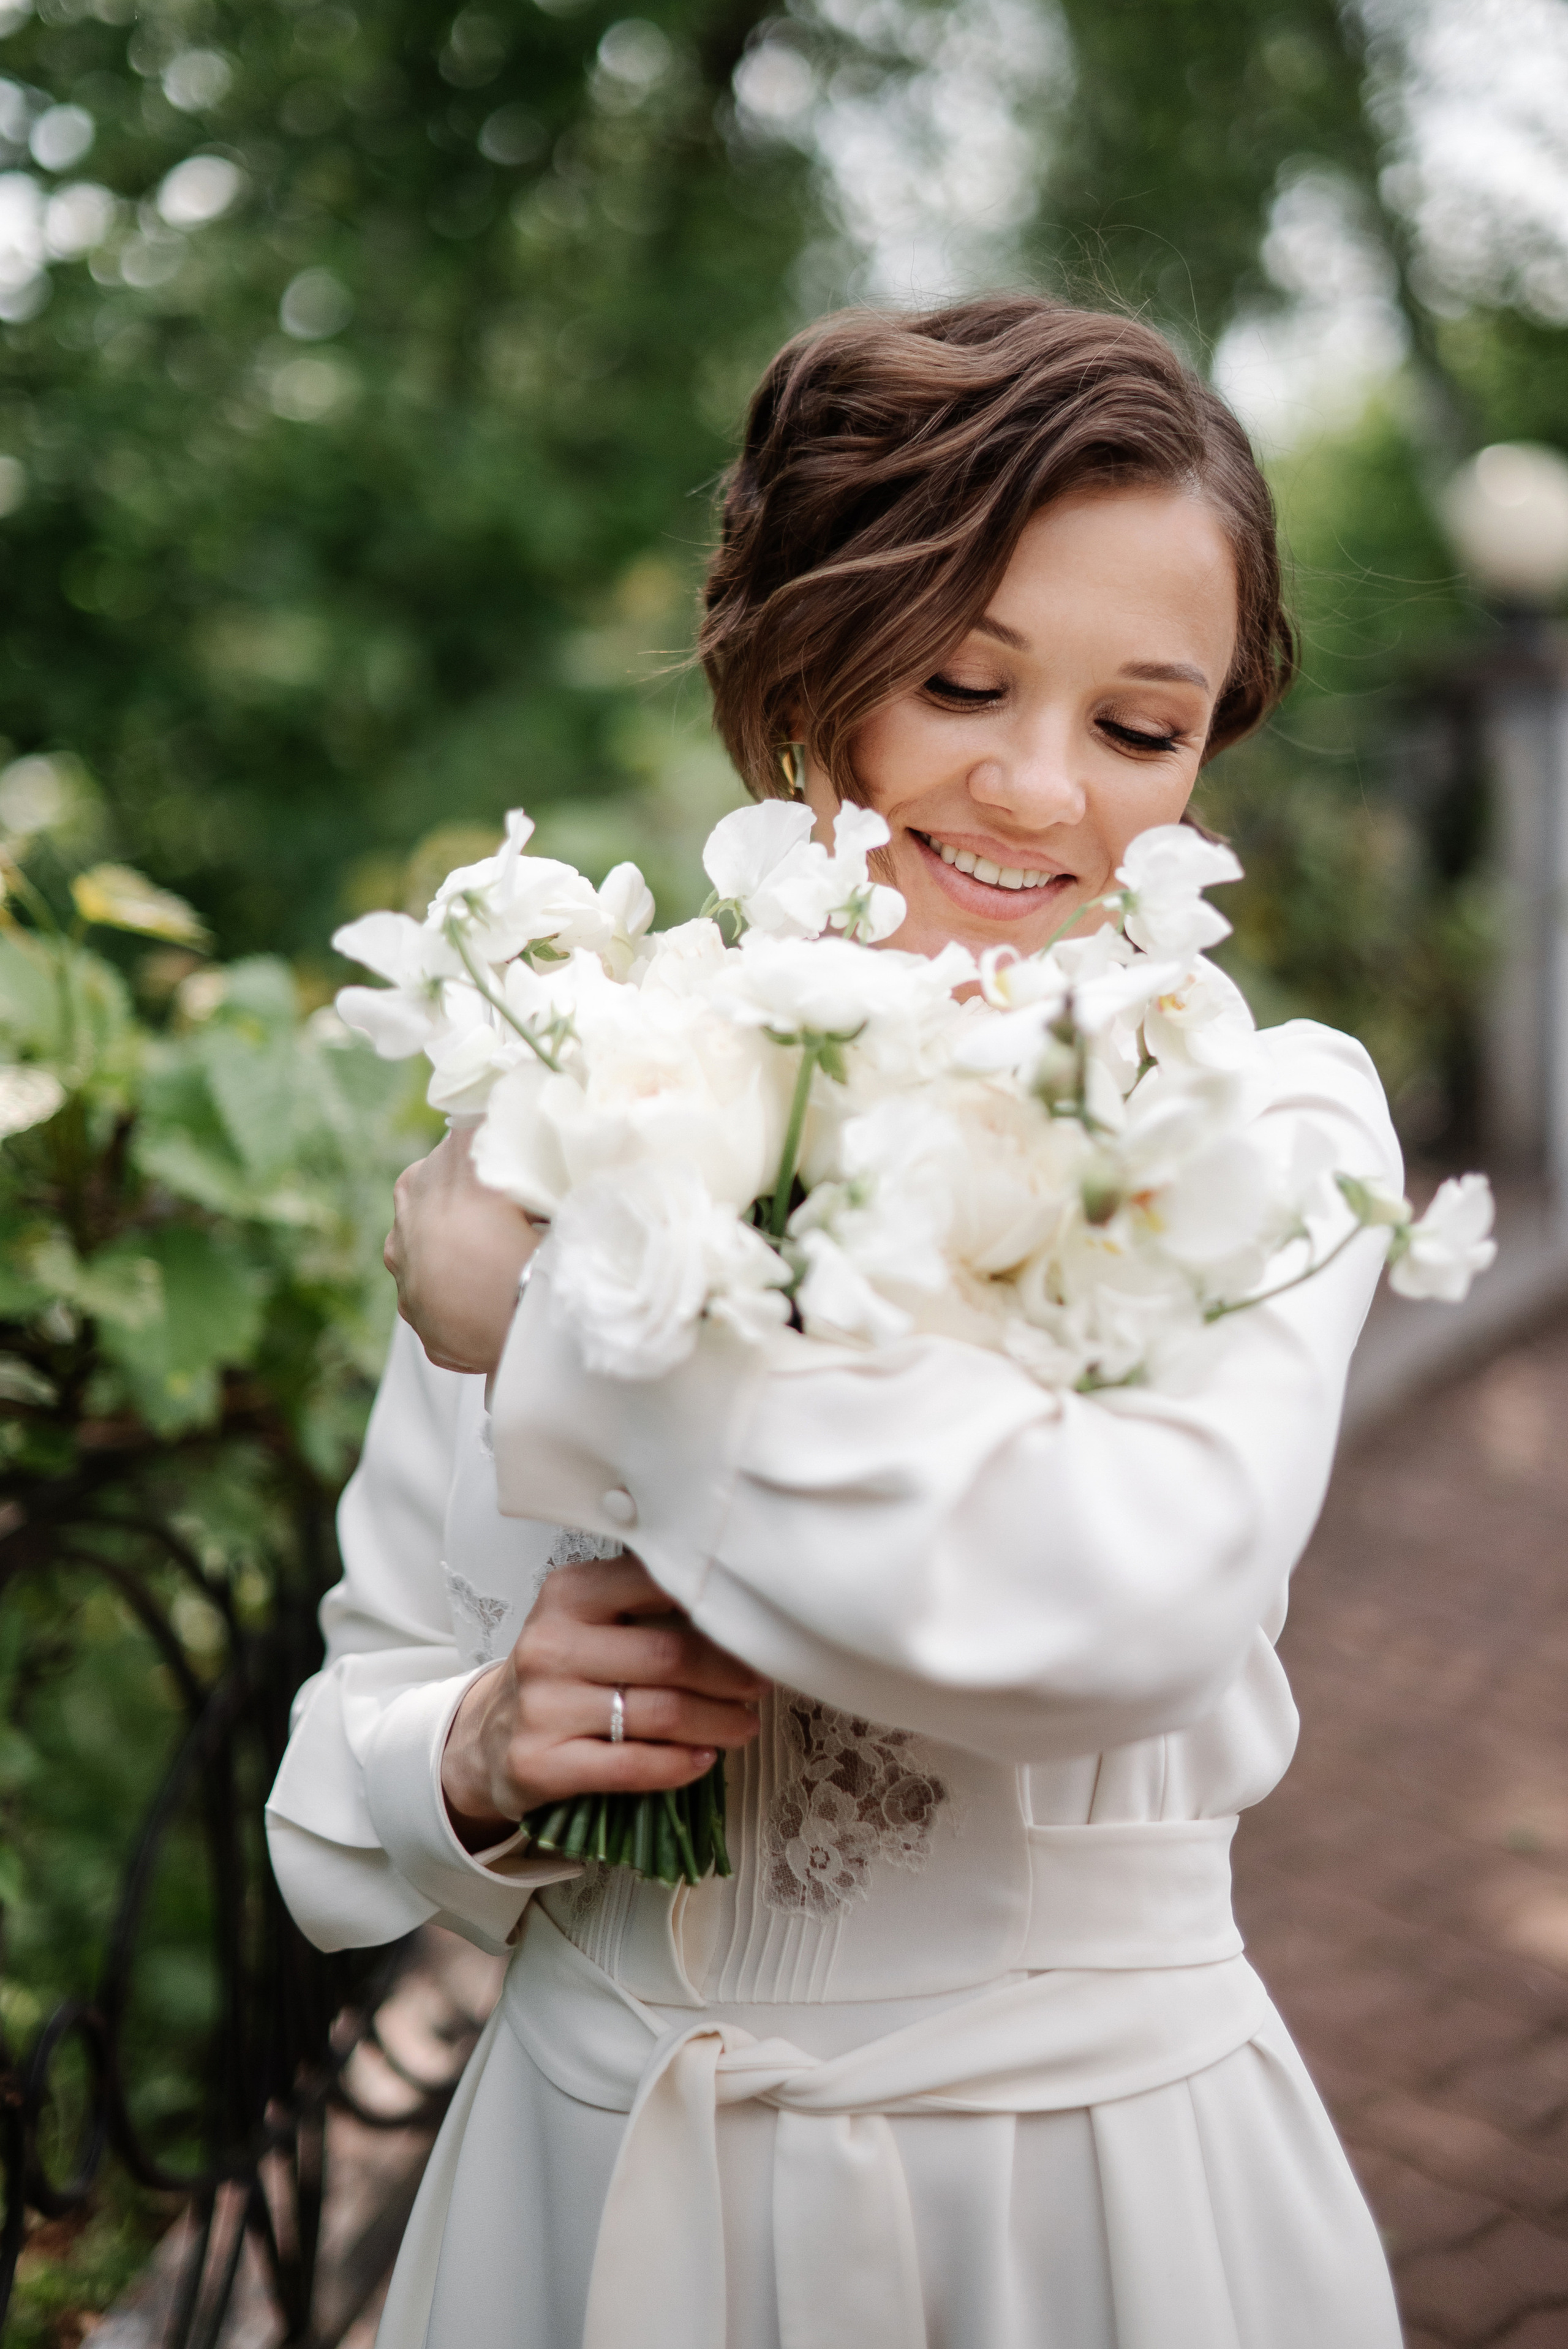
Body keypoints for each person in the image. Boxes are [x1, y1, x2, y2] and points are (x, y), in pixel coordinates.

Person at [266, 295, 1405, 2349]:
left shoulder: (1258, 1128)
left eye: (1141, 728)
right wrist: (480, 1750)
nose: (1039, 786)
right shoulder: (578, 1094)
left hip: (1073, 2207)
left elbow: (1124, 1604)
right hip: (589, 2192)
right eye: (963, 681)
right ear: (805, 675)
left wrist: (558, 1330)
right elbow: (343, 1761)